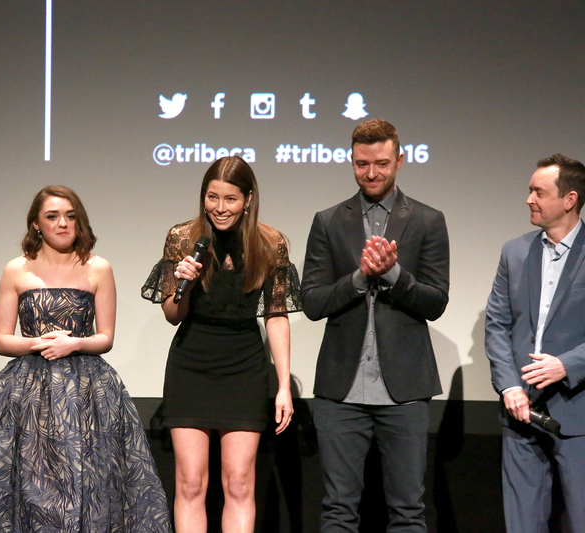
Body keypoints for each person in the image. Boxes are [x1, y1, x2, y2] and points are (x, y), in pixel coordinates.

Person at [0, 185, 171, 532]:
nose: (63, 223)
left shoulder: (98, 268)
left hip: (86, 391)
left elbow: (106, 338)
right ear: (36, 224)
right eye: (52, 216)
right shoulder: (16, 269)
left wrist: (73, 343)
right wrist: (37, 344)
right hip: (27, 391)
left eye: (70, 216)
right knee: (29, 482)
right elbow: (2, 339)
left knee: (91, 480)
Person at [300, 119, 450, 532]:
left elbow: (436, 302)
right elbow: (311, 302)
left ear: (400, 160)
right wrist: (359, 278)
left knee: (407, 511)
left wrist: (394, 274)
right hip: (341, 389)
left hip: (404, 389)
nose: (371, 173)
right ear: (351, 161)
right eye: (361, 164)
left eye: (381, 164)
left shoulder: (427, 220)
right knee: (337, 509)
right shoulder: (329, 221)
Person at [141, 156, 301, 533]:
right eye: (212, 197)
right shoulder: (183, 238)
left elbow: (276, 315)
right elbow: (172, 313)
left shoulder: (270, 242)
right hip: (190, 364)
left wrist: (282, 386)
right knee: (191, 482)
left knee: (239, 482)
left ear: (248, 199)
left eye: (230, 199)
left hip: (244, 366)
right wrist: (187, 283)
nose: (219, 208)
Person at [484, 155, 585, 533]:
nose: (529, 199)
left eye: (538, 192)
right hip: (521, 413)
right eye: (529, 190)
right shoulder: (515, 251)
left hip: (578, 413)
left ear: (569, 199)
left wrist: (568, 364)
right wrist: (509, 385)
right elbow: (497, 324)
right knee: (522, 526)